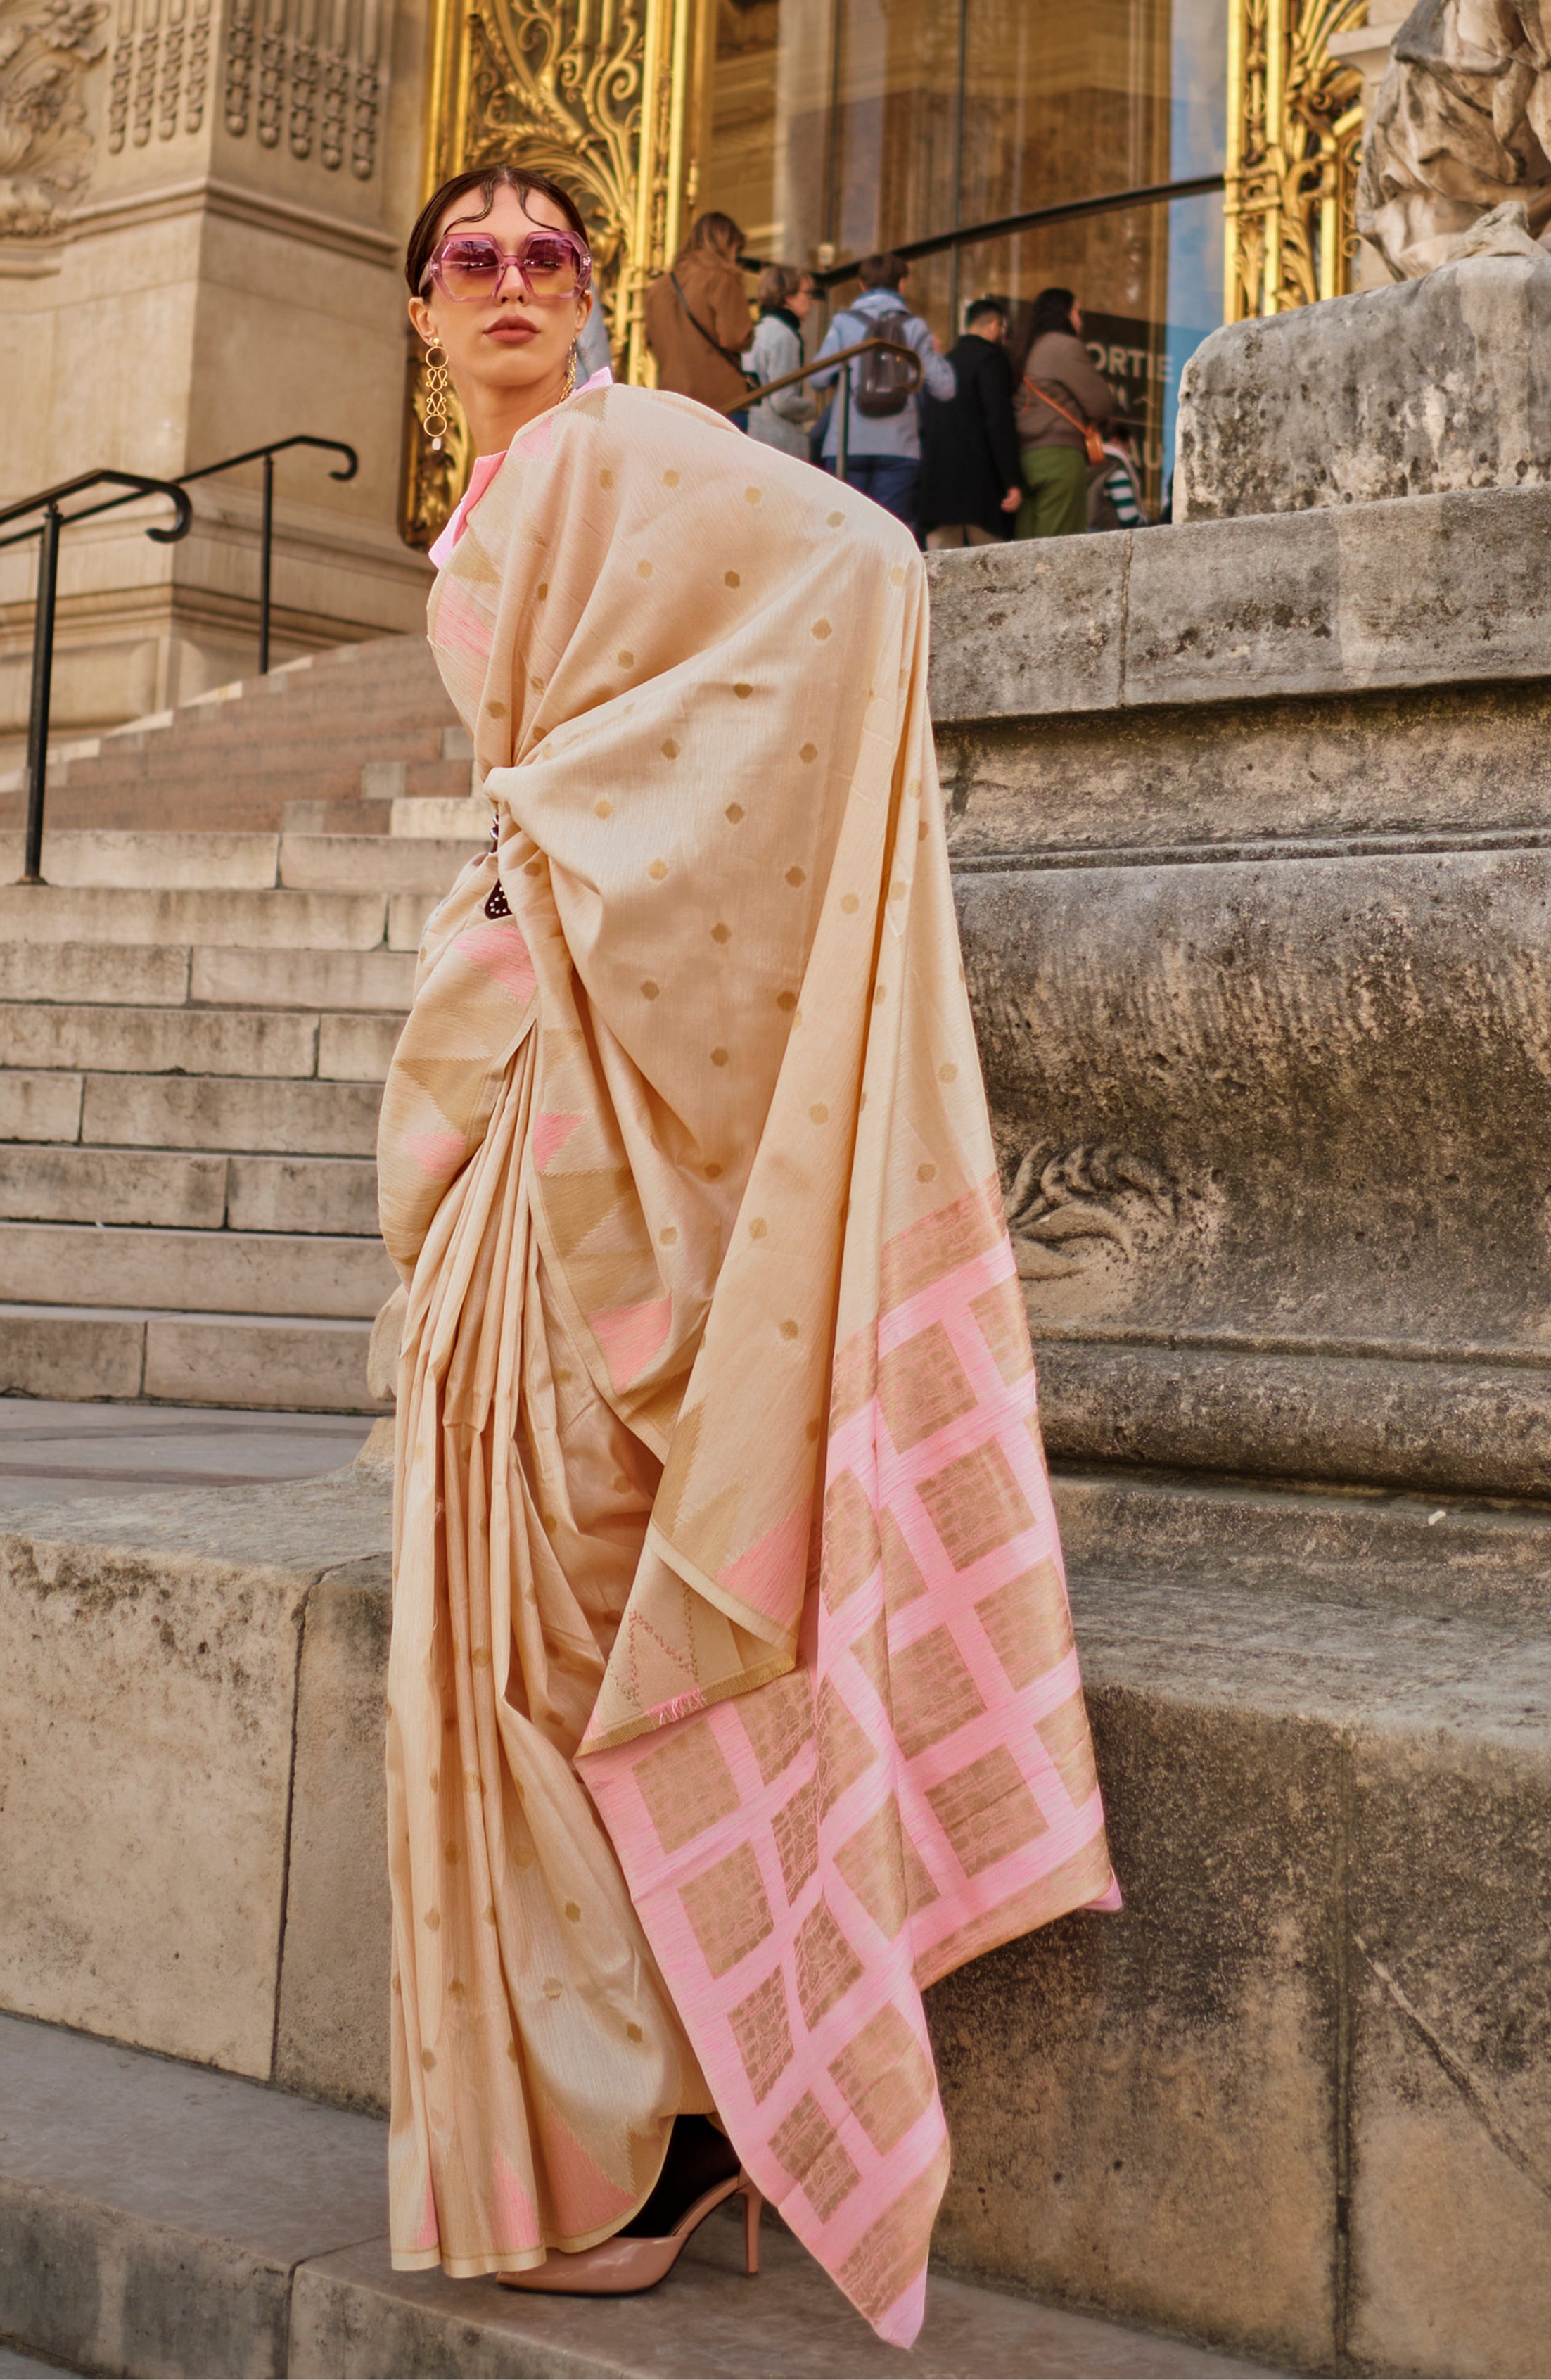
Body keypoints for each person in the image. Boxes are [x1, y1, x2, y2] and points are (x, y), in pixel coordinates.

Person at [390, 160, 1116, 2345]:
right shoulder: (504, 501)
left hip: (605, 1090)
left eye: (545, 253)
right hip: (532, 1093)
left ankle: (672, 2120)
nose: (509, 282)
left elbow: (867, 565)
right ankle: (599, 2115)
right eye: (469, 259)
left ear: (594, 295)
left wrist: (567, 844)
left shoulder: (630, 448)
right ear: (418, 313)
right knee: (503, 1619)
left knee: (577, 1613)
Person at [811, 251, 955, 530]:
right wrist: (934, 355)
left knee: (844, 533)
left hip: (846, 445)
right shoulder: (915, 327)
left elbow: (817, 379)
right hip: (899, 447)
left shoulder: (844, 323)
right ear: (901, 284)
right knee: (891, 535)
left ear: (862, 285)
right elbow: (945, 388)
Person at [1010, 286, 1116, 540]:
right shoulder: (1065, 347)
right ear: (1064, 313)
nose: (1080, 319)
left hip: (1025, 459)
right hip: (1061, 459)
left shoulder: (1026, 349)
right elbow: (1101, 403)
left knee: (1026, 549)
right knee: (1058, 551)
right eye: (1079, 312)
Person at [917, 295, 1023, 549]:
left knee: (940, 575)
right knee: (989, 572)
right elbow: (998, 421)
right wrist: (1011, 481)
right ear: (994, 325)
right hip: (980, 493)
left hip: (939, 490)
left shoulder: (945, 363)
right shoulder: (991, 360)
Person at [644, 211, 755, 416]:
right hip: (720, 401)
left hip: (673, 400)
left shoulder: (659, 287)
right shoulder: (722, 277)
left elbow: (651, 341)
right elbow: (735, 337)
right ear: (728, 245)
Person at [740, 264, 816, 458]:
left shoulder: (756, 331)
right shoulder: (785, 337)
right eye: (807, 293)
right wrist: (814, 409)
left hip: (753, 434)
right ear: (788, 297)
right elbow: (783, 401)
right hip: (779, 443)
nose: (812, 301)